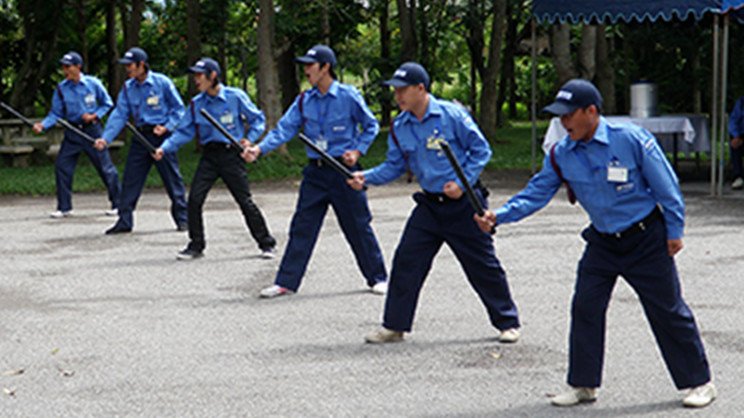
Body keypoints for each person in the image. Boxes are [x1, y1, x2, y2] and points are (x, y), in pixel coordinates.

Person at [476, 79, 716, 408]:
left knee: (668, 310)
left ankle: (699, 382)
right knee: (585, 307)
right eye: (559, 116)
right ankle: (583, 385)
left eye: (568, 115)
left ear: (591, 111)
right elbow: (537, 192)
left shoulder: (629, 139)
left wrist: (674, 231)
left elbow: (667, 187)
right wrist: (499, 216)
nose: (563, 123)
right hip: (602, 242)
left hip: (645, 237)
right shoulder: (562, 153)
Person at [348, 62, 521, 344]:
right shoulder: (400, 125)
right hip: (429, 206)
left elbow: (481, 150)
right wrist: (365, 178)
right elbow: (394, 165)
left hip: (464, 204)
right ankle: (395, 326)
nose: (398, 96)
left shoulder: (451, 115)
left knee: (482, 265)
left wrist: (462, 181)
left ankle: (507, 322)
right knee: (407, 260)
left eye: (403, 90)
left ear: (420, 88)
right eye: (395, 91)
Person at [243, 44, 388, 298]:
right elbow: (283, 130)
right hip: (316, 173)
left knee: (358, 225)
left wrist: (357, 151)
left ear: (325, 67)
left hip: (344, 171)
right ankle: (286, 282)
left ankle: (377, 277)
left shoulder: (348, 96)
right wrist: (259, 149)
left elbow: (371, 125)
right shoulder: (303, 101)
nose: (306, 70)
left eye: (310, 65)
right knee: (302, 226)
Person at [154, 58, 276, 260]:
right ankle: (196, 245)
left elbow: (258, 120)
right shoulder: (197, 103)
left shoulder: (235, 97)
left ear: (213, 76)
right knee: (194, 199)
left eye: (200, 75)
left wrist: (250, 140)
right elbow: (184, 132)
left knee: (244, 201)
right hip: (210, 156)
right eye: (195, 75)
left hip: (231, 154)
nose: (196, 80)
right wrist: (164, 148)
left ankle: (266, 243)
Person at [94, 47, 188, 234]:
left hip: (161, 137)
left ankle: (183, 219)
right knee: (131, 179)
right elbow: (120, 114)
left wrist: (167, 126)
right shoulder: (128, 88)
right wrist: (105, 138)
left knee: (172, 179)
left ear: (142, 65)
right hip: (140, 136)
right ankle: (124, 221)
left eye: (130, 65)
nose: (127, 69)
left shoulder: (162, 83)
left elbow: (179, 109)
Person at [33, 51, 120, 219]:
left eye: (68, 66)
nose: (65, 70)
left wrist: (94, 115)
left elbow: (107, 104)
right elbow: (55, 114)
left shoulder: (93, 83)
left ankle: (118, 203)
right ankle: (64, 207)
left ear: (78, 67)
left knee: (105, 167)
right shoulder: (61, 89)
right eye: (63, 67)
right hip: (73, 132)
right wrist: (42, 125)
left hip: (92, 130)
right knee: (62, 166)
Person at [728, 96, 744, 189]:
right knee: (735, 145)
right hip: (741, 135)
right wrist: (736, 136)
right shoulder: (741, 102)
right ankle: (738, 177)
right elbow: (733, 120)